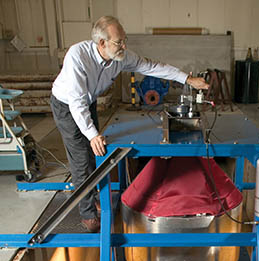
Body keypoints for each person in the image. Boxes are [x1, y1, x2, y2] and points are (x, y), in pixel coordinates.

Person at [51, 15, 209, 232]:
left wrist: (187, 79)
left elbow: (152, 66)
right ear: (102, 43)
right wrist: (92, 134)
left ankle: (92, 196)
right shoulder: (77, 56)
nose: (124, 46)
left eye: (125, 40)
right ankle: (88, 216)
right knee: (81, 158)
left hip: (88, 102)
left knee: (94, 154)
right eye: (119, 42)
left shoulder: (121, 57)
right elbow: (76, 102)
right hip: (67, 105)